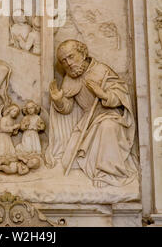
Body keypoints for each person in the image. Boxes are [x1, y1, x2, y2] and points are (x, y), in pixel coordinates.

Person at [46, 39, 138, 187]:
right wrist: (59, 100)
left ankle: (107, 173)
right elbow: (68, 108)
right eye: (63, 61)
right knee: (68, 159)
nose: (68, 63)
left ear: (82, 53)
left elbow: (122, 95)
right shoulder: (69, 80)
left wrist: (104, 95)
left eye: (71, 56)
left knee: (107, 127)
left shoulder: (102, 70)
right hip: (88, 120)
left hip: (110, 115)